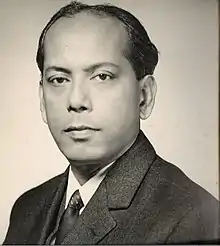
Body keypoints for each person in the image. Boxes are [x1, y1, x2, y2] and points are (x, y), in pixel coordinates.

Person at [3, 1, 219, 245]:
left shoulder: (192, 218)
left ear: (144, 96)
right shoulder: (27, 209)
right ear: (42, 99)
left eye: (102, 76)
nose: (76, 101)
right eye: (59, 79)